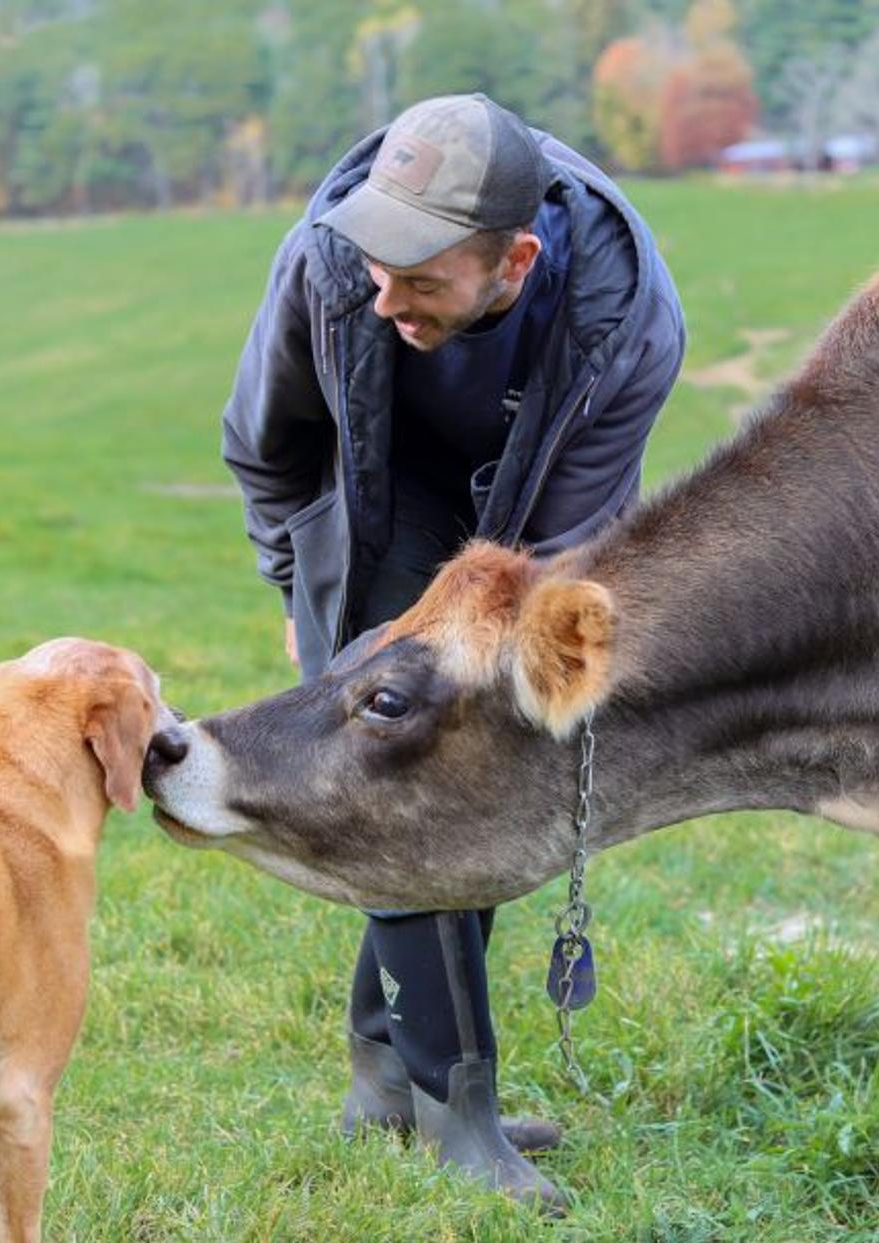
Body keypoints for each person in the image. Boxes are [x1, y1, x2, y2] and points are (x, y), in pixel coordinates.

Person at [220, 93, 685, 1211]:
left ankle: (386, 1080)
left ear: (514, 260)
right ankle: (455, 1108)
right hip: (368, 516)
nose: (385, 298)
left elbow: (566, 547)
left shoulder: (624, 321)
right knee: (396, 784)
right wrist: (297, 592)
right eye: (377, 269)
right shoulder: (330, 264)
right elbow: (265, 448)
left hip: (522, 532)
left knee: (472, 773)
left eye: (421, 280)